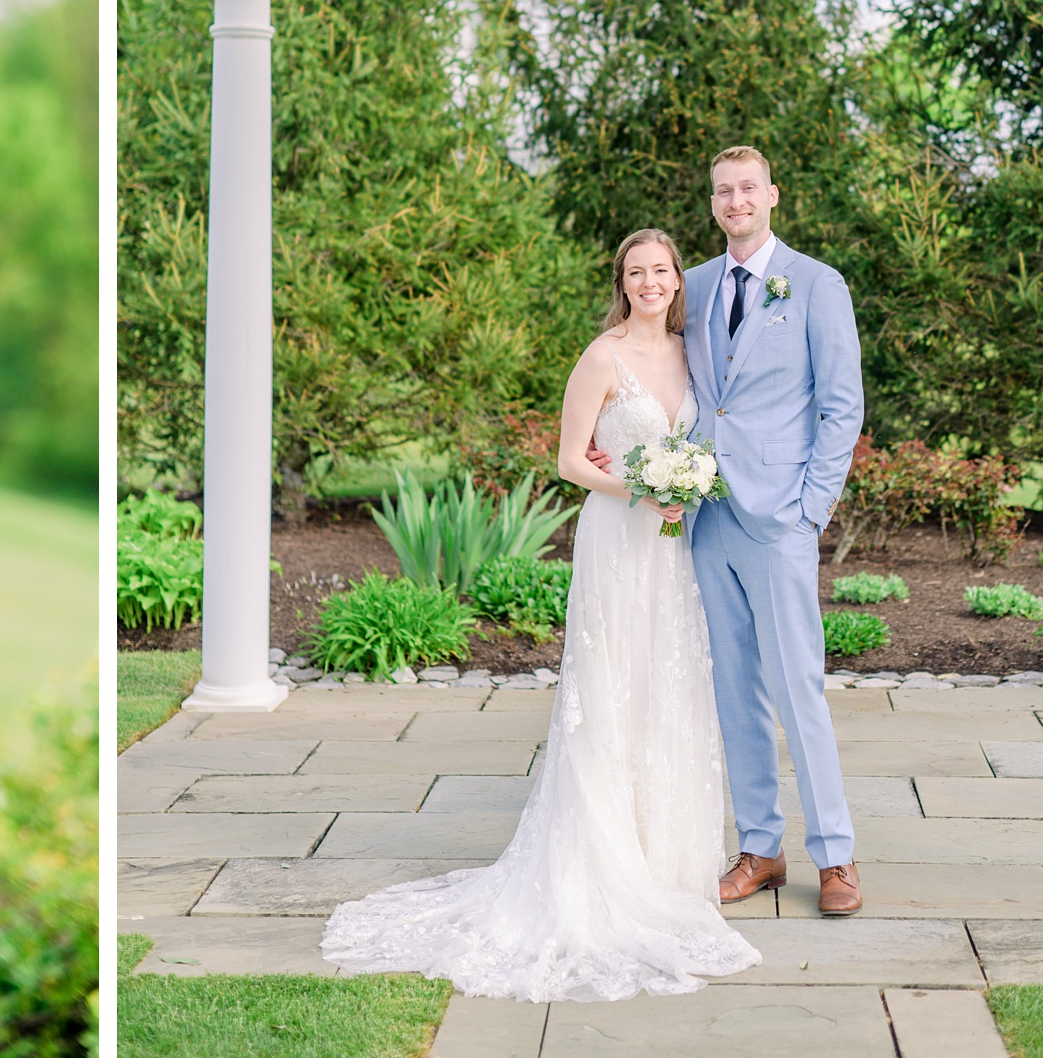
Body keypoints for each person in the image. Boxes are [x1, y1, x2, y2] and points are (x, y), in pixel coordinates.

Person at [320, 229, 762, 1000]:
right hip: (619, 538)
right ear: (621, 282)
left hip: (670, 548)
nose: (651, 283)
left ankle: (663, 864)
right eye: (637, 272)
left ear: (676, 280)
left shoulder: (694, 352)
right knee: (610, 688)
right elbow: (567, 460)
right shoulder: (602, 356)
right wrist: (642, 485)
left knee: (668, 688)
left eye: (662, 271)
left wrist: (685, 483)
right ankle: (599, 861)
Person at [680, 145, 864, 917]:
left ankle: (836, 857)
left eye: (748, 188)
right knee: (734, 691)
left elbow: (841, 407)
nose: (736, 201)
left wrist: (810, 511)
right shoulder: (689, 286)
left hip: (780, 520)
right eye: (724, 191)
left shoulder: (817, 285)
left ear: (772, 196)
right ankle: (760, 849)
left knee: (799, 689)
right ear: (714, 201)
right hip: (706, 518)